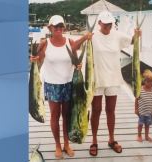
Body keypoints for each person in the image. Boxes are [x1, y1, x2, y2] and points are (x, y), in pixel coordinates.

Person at [30, 15, 87, 159]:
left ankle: (66, 144)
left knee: (67, 115)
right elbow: (39, 62)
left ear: (64, 27)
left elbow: (75, 61)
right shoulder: (45, 43)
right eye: (56, 26)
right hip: (52, 84)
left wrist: (78, 65)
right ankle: (57, 145)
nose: (59, 29)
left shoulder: (70, 41)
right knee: (55, 115)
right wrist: (34, 60)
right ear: (50, 28)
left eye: (61, 26)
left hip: (68, 83)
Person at [85, 11, 141, 156]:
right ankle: (94, 140)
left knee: (111, 110)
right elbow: (79, 48)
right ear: (99, 23)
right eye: (105, 24)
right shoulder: (93, 36)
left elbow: (133, 41)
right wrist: (86, 38)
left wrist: (137, 34)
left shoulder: (117, 35)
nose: (108, 26)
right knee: (96, 110)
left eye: (110, 24)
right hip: (96, 79)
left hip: (113, 78)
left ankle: (111, 139)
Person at [135, 69, 152, 142]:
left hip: (149, 112)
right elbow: (136, 100)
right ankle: (139, 135)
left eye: (151, 81)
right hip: (141, 112)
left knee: (147, 125)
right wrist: (136, 109)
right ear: (144, 81)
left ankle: (146, 136)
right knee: (140, 124)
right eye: (147, 81)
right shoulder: (140, 89)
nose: (149, 83)